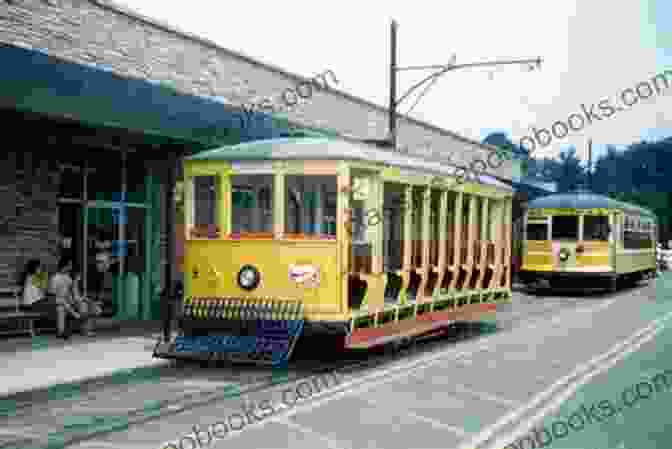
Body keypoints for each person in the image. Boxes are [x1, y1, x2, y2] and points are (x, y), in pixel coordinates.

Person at [49, 257, 101, 338]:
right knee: (61, 308)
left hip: (69, 301)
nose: (71, 267)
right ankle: (61, 332)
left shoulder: (68, 277)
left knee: (83, 305)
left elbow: (73, 293)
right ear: (65, 266)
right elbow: (52, 295)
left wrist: (82, 300)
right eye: (69, 265)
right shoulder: (55, 278)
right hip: (58, 302)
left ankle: (85, 330)